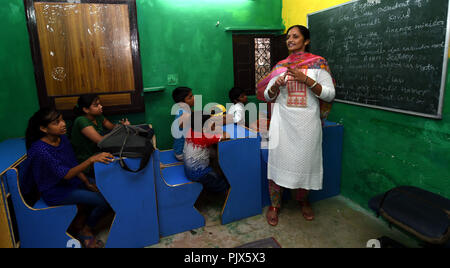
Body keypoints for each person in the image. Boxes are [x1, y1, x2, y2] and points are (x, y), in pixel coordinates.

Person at [256, 25, 335, 226]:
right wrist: (275, 85)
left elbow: (329, 94)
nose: (290, 40)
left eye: (295, 36)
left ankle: (303, 200)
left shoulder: (318, 64)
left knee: (305, 165)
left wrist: (306, 79)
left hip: (308, 125)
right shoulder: (280, 66)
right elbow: (268, 96)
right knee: (276, 165)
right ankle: (275, 205)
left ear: (306, 40)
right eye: (288, 37)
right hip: (282, 125)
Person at [25, 107, 115, 248]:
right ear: (43, 128)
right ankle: (85, 229)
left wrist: (86, 182)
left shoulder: (62, 139)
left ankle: (81, 222)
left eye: (61, 120)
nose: (63, 124)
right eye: (56, 122)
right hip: (55, 191)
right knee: (104, 200)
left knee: (111, 192)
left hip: (73, 181)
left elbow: (71, 163)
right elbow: (65, 174)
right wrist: (91, 160)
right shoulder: (40, 150)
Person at [71, 94, 130, 175]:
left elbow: (111, 127)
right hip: (86, 160)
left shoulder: (98, 116)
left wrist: (123, 126)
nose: (101, 106)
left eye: (100, 104)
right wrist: (121, 129)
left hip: (98, 153)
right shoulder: (81, 120)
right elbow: (101, 141)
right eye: (96, 105)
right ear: (86, 109)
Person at [183, 111, 230, 194]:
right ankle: (227, 193)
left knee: (213, 154)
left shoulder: (191, 130)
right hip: (199, 173)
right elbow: (227, 136)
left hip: (189, 169)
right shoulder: (205, 137)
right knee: (222, 184)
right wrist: (219, 130)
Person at [171, 87, 195, 161]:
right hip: (181, 153)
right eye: (190, 97)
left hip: (178, 150)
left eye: (192, 95)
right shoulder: (184, 115)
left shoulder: (183, 110)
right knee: (212, 152)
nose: (194, 98)